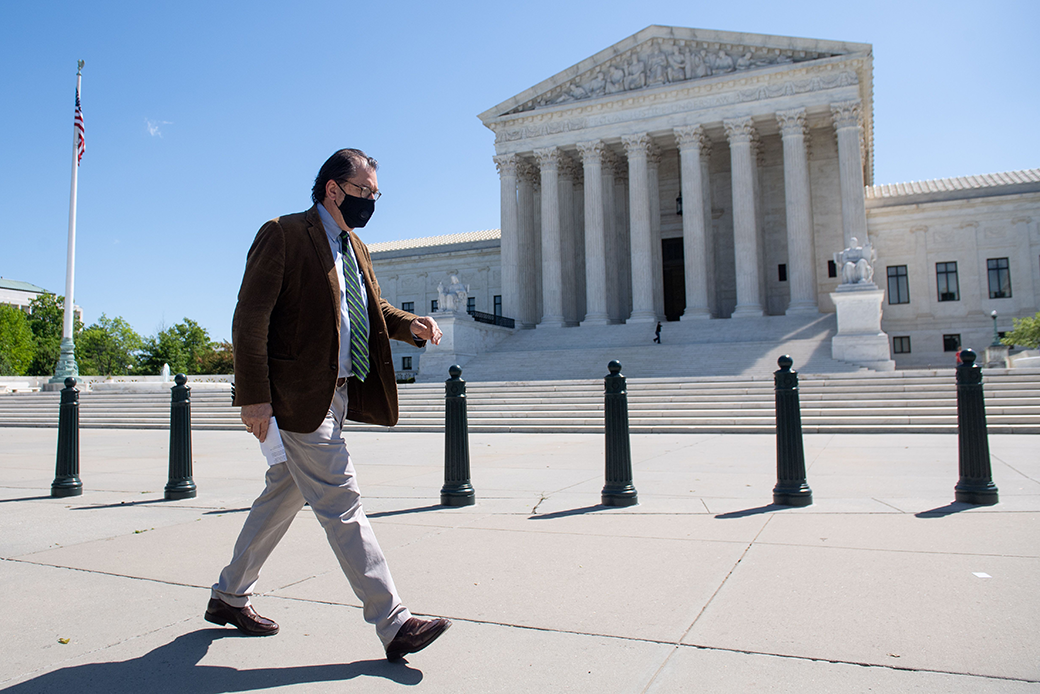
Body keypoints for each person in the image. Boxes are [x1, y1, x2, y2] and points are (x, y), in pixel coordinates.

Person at [206, 148, 450, 662]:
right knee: (342, 501)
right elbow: (249, 319)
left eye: (376, 195)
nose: (371, 202)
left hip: (337, 392)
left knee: (283, 496)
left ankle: (229, 596)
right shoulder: (284, 233)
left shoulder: (354, 246)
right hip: (297, 398)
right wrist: (254, 397)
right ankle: (393, 621)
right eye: (364, 192)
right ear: (333, 189)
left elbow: (370, 308)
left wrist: (410, 325)